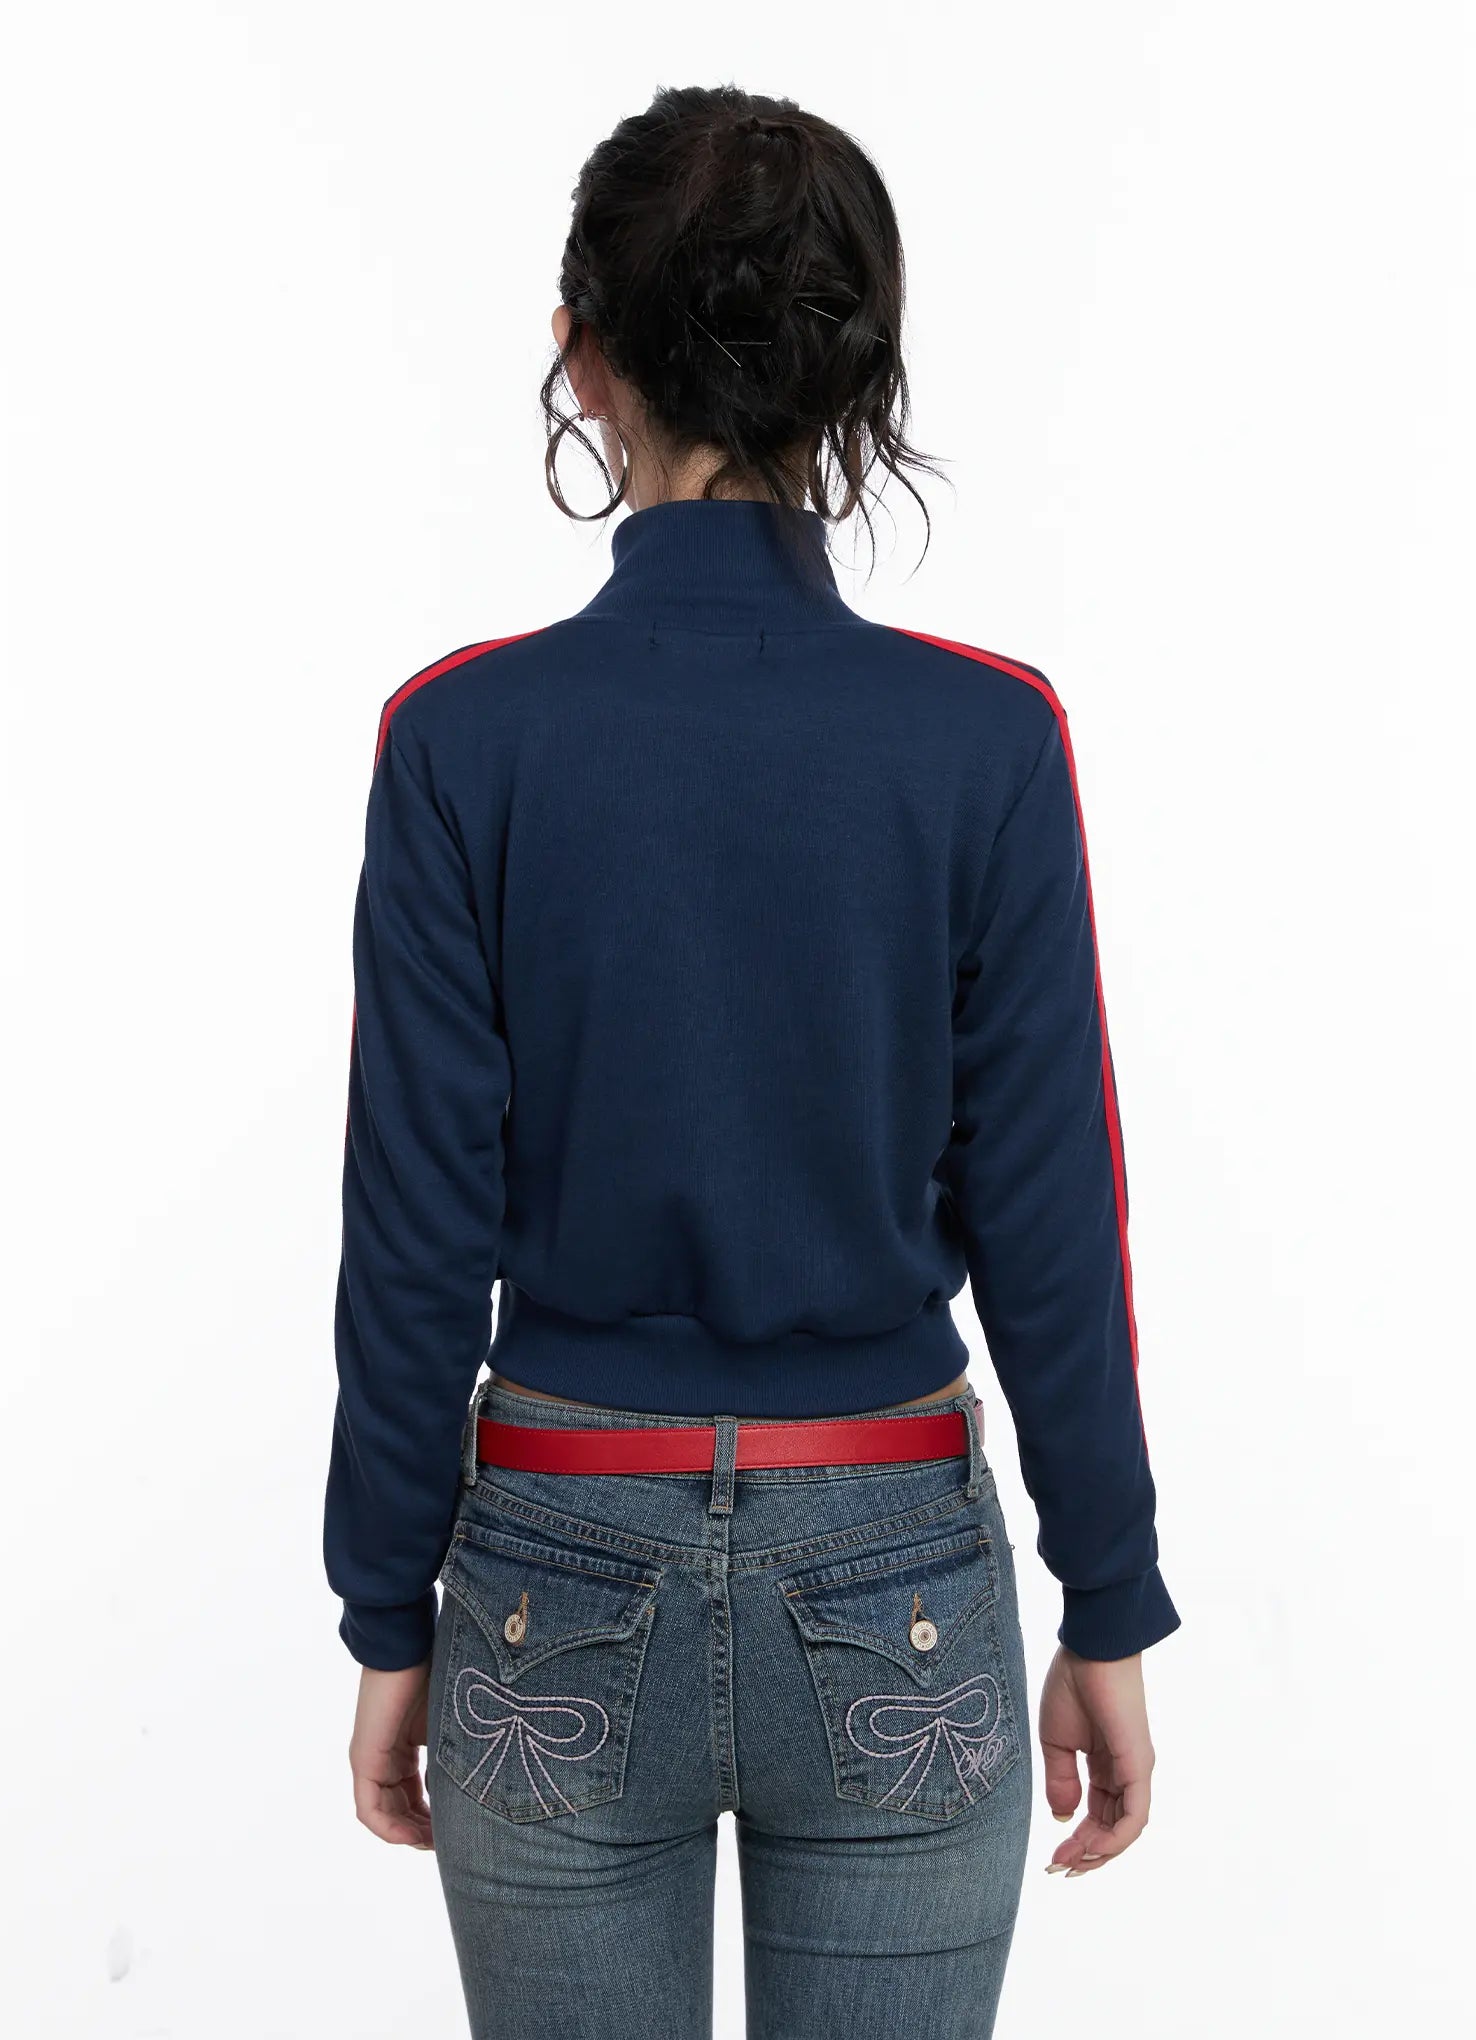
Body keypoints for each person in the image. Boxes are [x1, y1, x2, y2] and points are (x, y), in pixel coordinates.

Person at [323, 83, 1181, 2040]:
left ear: (582, 355)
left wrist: (386, 1611)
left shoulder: (462, 743)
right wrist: (1109, 1597)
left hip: (550, 1556)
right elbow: (1051, 1218)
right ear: (855, 375)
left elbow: (415, 1234)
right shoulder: (986, 743)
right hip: (894, 1559)